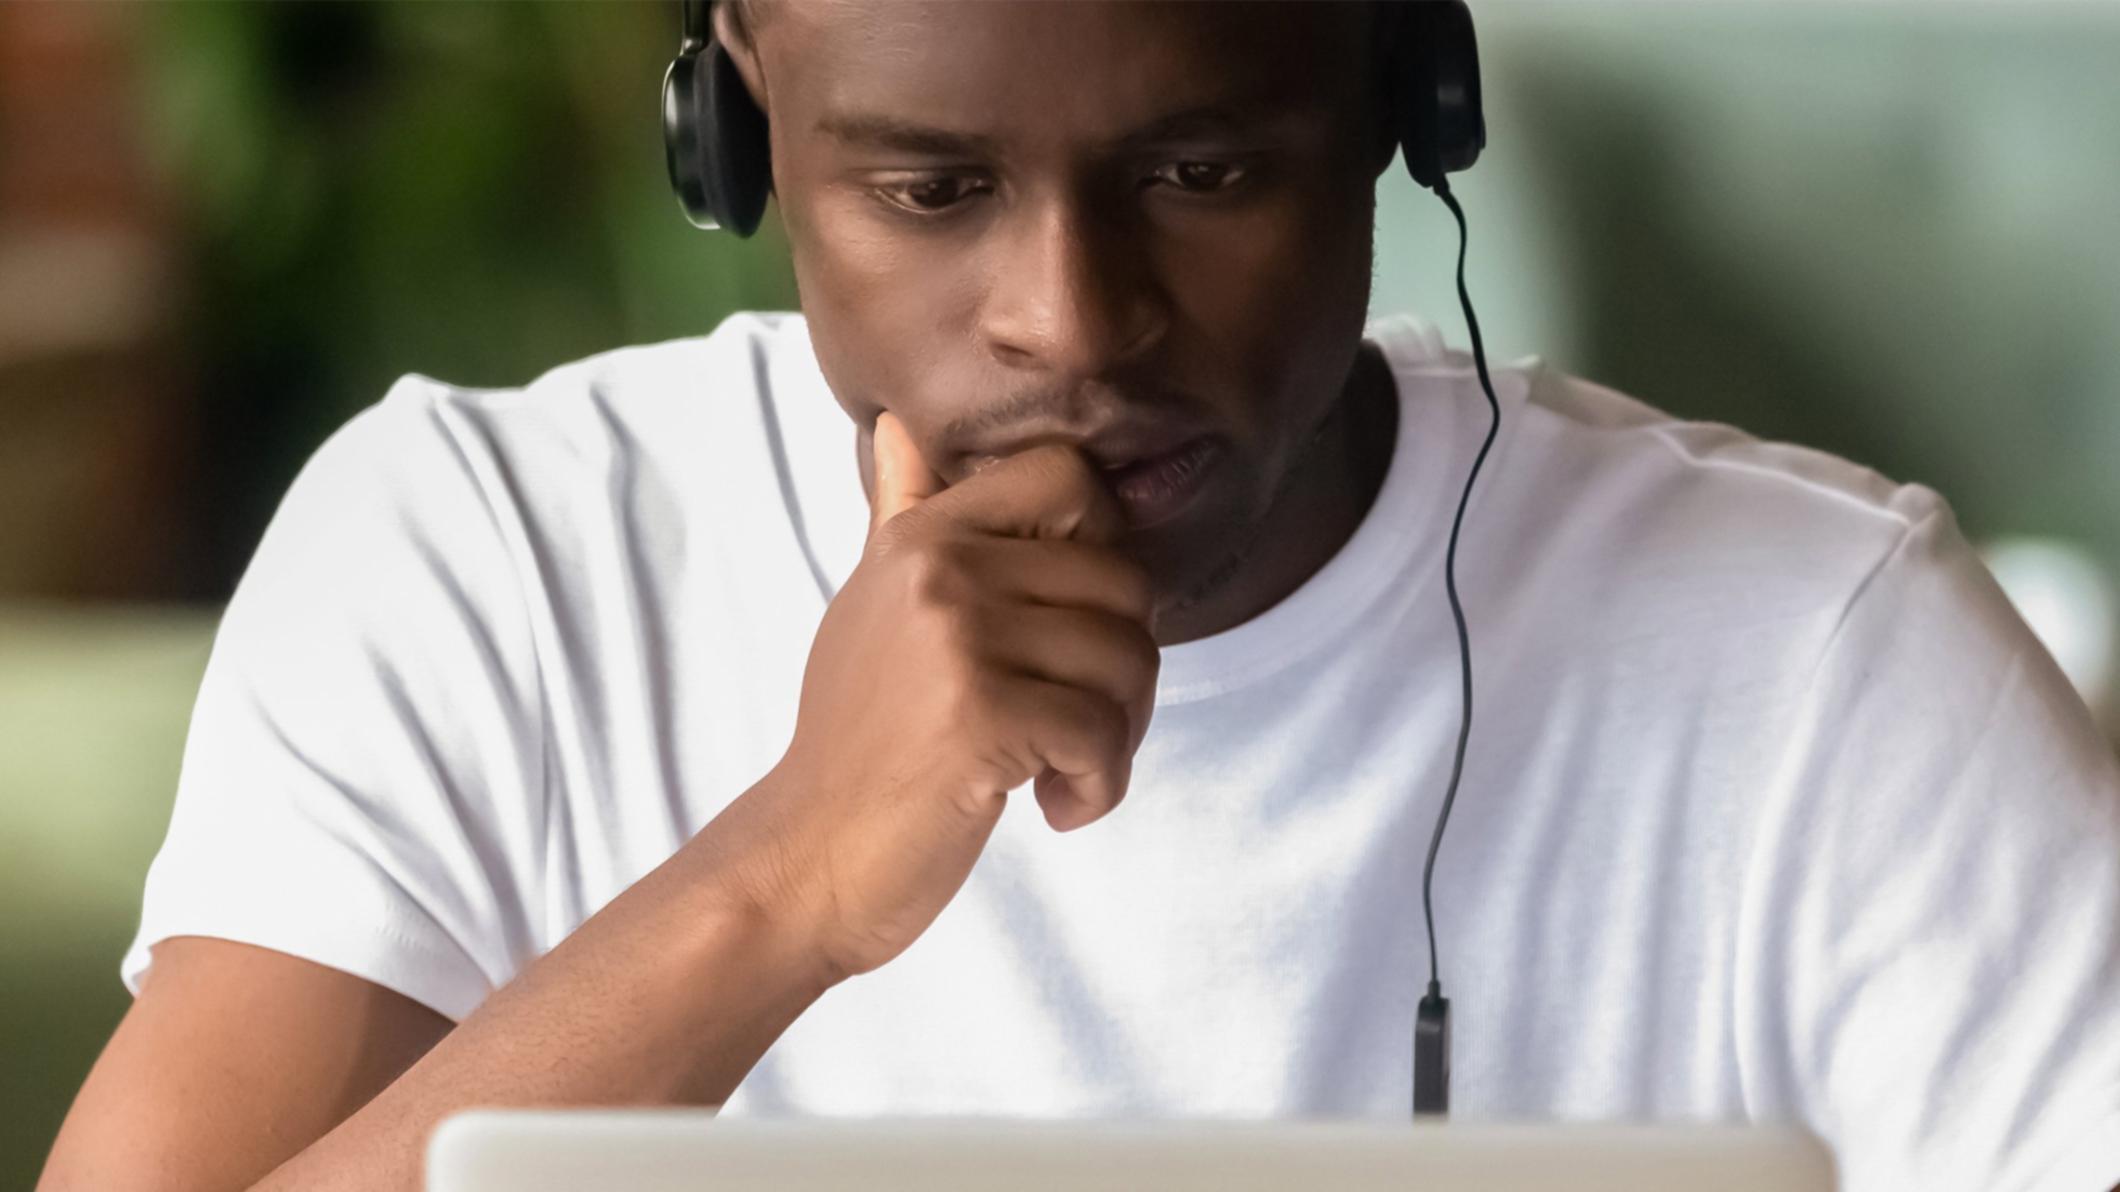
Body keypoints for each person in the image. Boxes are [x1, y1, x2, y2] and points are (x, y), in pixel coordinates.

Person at [40, 3, 2120, 1191]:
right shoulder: (481, 551)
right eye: (931, 190)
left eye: (1203, 173)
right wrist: (784, 878)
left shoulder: (1828, 654)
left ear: (1403, 101)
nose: (1071, 320)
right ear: (738, 116)